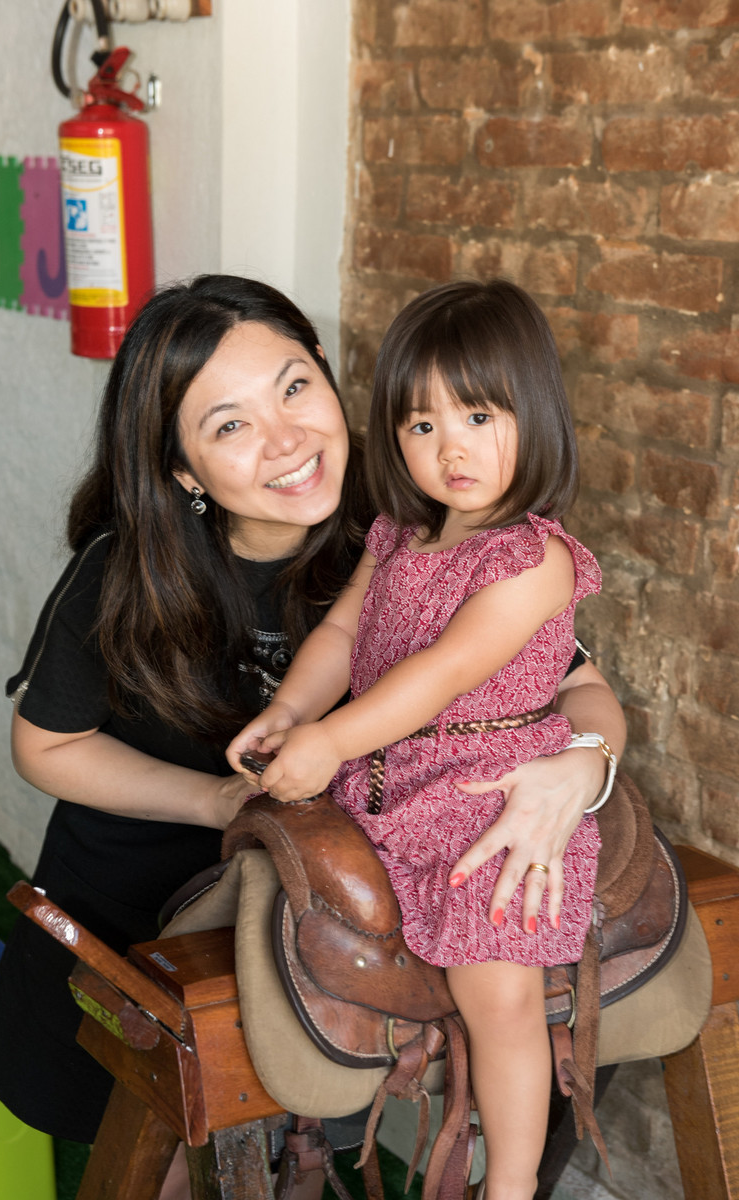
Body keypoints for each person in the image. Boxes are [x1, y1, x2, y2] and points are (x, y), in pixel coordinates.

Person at [0, 275, 623, 1192]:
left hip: (324, 917)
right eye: (229, 425)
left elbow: (581, 689)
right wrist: (213, 797)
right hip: (138, 910)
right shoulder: (127, 573)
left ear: (329, 374)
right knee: (156, 1160)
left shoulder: (418, 518)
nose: (284, 441)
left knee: (300, 1138)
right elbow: (47, 747)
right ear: (184, 470)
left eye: (293, 388)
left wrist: (578, 770)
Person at [227, 279, 612, 1200]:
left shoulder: (533, 557)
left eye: (478, 415)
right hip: (390, 778)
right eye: (420, 425)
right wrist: (290, 712)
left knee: (497, 989)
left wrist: (331, 738)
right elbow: (338, 636)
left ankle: (511, 1181)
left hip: (486, 792)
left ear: (535, 413)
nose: (451, 448)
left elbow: (438, 673)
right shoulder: (398, 534)